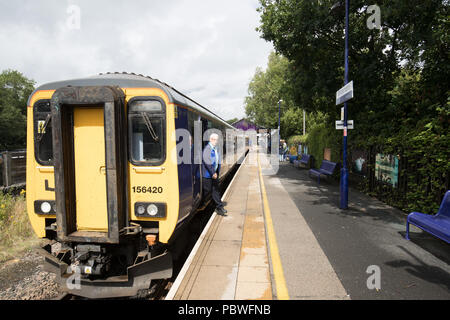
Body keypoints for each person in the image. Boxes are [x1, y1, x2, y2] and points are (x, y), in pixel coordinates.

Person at [202, 133, 227, 216]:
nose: (216, 141)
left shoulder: (215, 148)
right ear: (211, 139)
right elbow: (207, 162)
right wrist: (213, 172)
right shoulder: (207, 149)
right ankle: (201, 202)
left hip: (214, 174)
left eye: (217, 140)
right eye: (215, 140)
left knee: (216, 190)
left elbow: (216, 160)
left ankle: (219, 207)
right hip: (208, 175)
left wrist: (216, 172)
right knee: (208, 190)